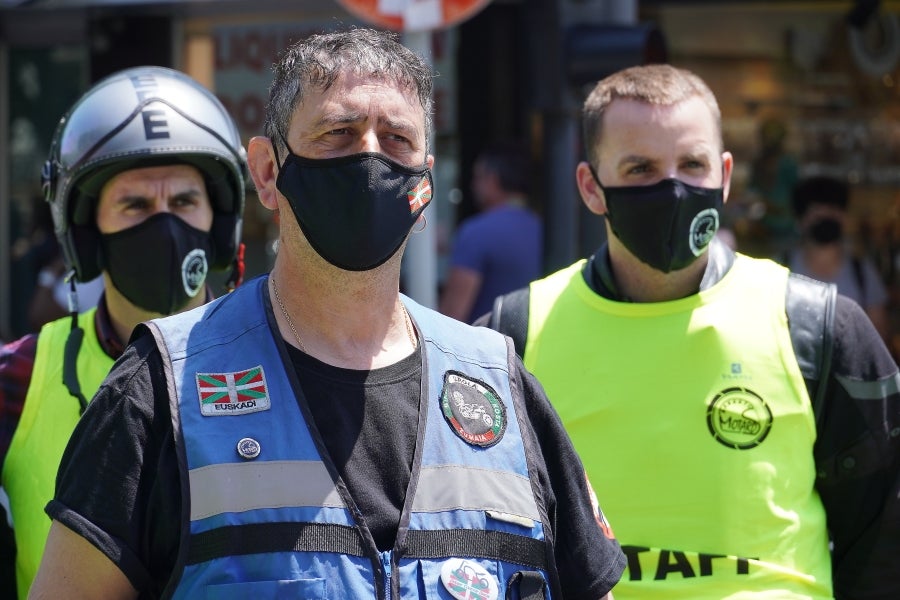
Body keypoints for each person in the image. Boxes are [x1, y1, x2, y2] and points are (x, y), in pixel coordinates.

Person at [29, 28, 625, 599]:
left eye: (397, 139)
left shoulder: (498, 383)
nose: (369, 157)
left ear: (424, 184)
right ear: (268, 171)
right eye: (338, 133)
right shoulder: (161, 385)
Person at [480, 64, 900, 599]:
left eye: (692, 164)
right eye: (640, 168)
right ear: (591, 187)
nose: (673, 189)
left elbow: (884, 539)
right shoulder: (515, 335)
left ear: (724, 176)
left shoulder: (817, 325)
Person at [0, 65, 247, 598]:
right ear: (88, 235)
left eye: (184, 202)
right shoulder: (19, 376)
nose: (164, 225)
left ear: (220, 224)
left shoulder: (278, 355)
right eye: (135, 205)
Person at [439, 141, 543, 323]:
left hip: (485, 338)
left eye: (477, 177)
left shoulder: (476, 232)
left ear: (492, 179)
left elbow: (450, 318)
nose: (472, 185)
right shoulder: (544, 228)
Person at [786, 174, 890, 342]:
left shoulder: (862, 272)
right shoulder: (781, 269)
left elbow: (879, 336)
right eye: (817, 212)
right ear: (800, 220)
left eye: (833, 210)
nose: (826, 216)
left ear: (844, 217)